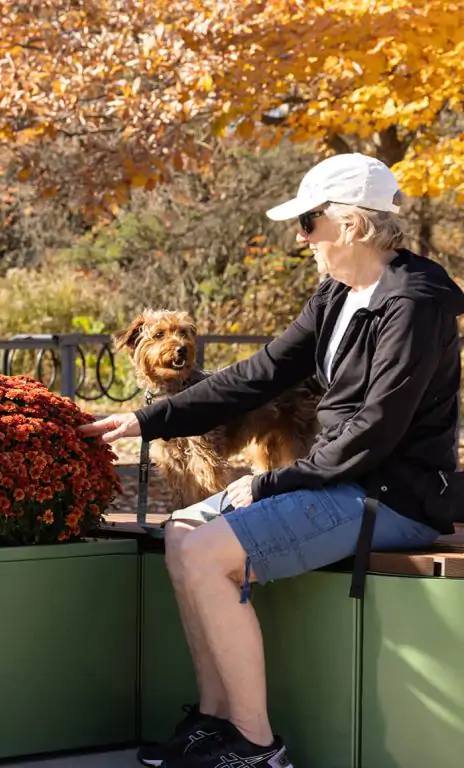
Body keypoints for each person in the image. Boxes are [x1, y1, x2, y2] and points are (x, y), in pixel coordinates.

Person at [81, 152, 464, 768]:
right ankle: (214, 721)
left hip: (391, 496)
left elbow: (373, 432)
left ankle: (258, 746)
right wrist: (145, 420)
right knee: (180, 533)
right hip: (338, 484)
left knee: (206, 554)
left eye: (309, 223)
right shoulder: (338, 293)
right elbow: (259, 374)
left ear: (353, 226)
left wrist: (265, 488)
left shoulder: (415, 304)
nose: (300, 237)